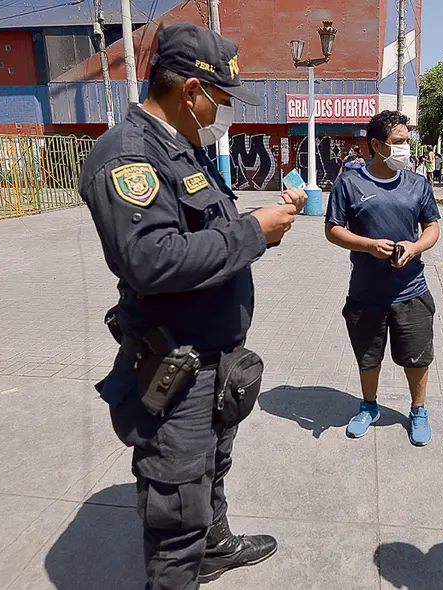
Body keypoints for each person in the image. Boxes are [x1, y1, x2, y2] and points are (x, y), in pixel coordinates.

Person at [78, 23, 305, 588]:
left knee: (211, 467)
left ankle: (216, 546)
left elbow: (203, 232)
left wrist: (257, 226)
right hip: (174, 366)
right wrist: (255, 232)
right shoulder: (128, 154)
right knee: (177, 511)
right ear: (190, 91)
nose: (222, 112)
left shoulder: (185, 149)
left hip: (214, 358)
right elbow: (149, 259)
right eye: (220, 100)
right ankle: (187, 562)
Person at [324, 110, 442, 447]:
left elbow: (432, 227)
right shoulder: (349, 182)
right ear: (376, 145)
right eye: (399, 142)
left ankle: (418, 410)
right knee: (368, 357)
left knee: (417, 357)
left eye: (407, 141)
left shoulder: (418, 184)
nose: (406, 148)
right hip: (365, 292)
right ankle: (369, 406)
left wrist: (415, 246)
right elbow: (332, 230)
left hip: (411, 291)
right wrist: (368, 245)